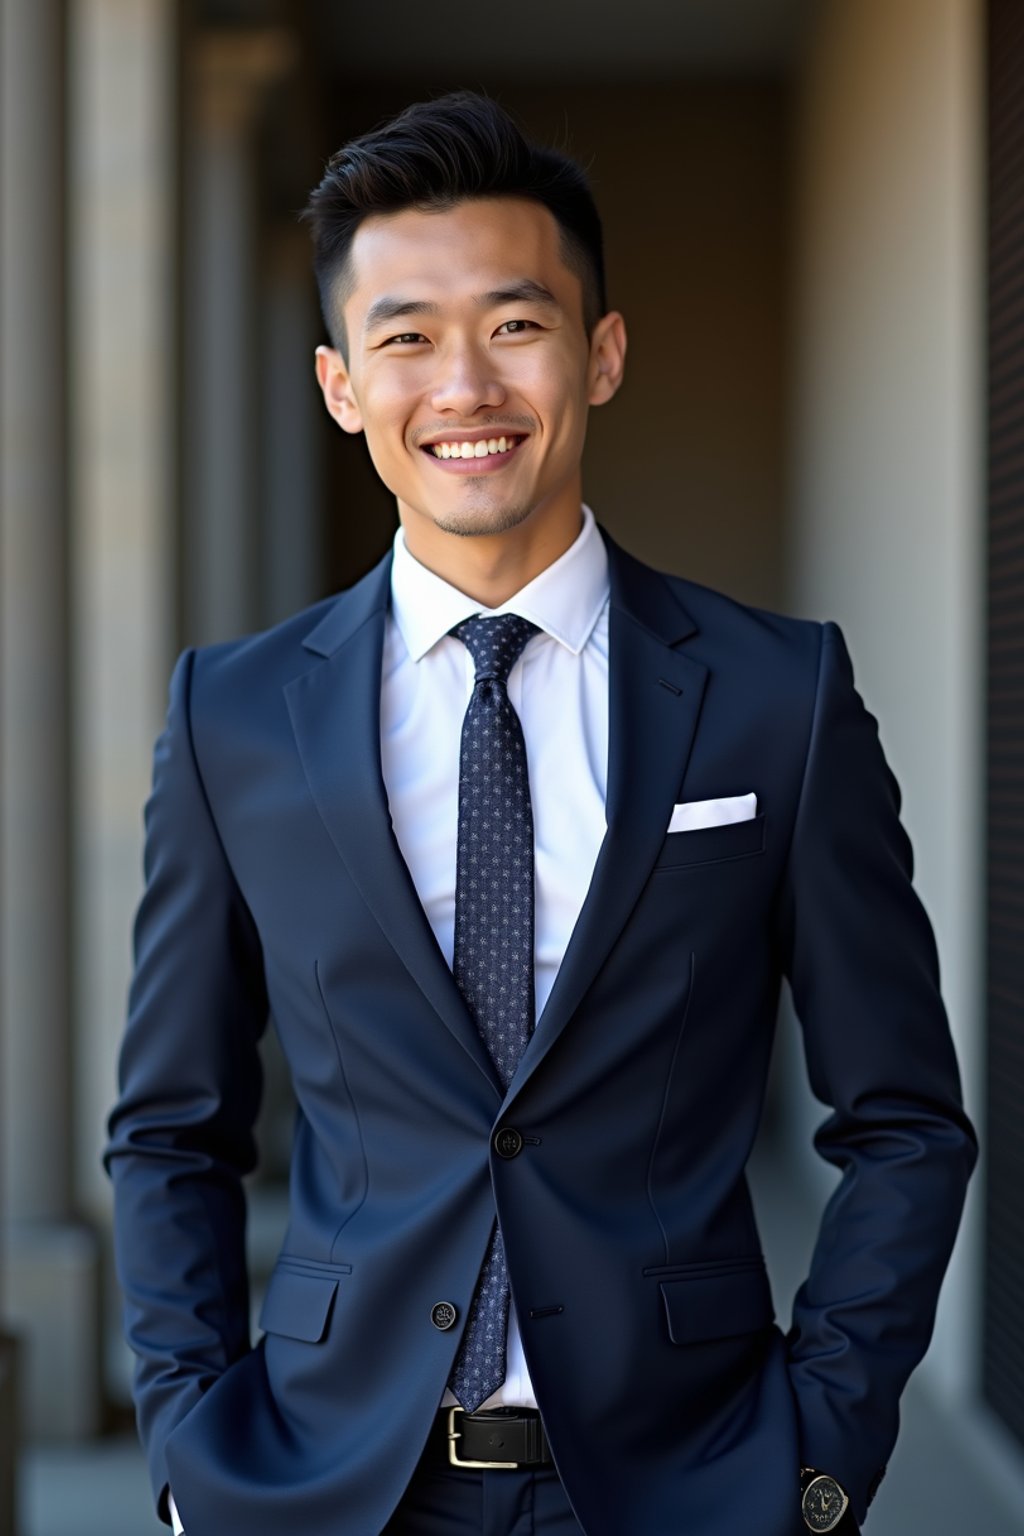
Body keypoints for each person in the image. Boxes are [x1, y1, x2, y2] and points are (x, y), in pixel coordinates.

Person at [105, 91, 977, 1536]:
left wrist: (820, 1458)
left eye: (516, 324)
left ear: (603, 353)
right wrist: (196, 1449)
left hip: (688, 1484)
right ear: (340, 384)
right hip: (332, 1488)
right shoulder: (234, 717)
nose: (465, 385)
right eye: (406, 337)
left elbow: (903, 1120)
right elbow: (173, 1129)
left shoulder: (778, 695)